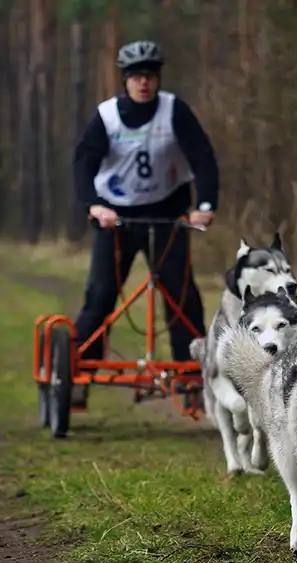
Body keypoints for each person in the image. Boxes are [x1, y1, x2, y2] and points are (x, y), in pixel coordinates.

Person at [71, 40, 219, 405]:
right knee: (101, 294)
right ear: (125, 79)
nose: (144, 82)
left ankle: (190, 375)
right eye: (137, 76)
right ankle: (81, 370)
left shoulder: (174, 111)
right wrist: (93, 206)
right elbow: (83, 163)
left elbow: (202, 157)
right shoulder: (107, 116)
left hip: (168, 216)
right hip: (116, 218)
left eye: (150, 75)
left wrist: (205, 205)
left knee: (182, 296)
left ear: (158, 78)